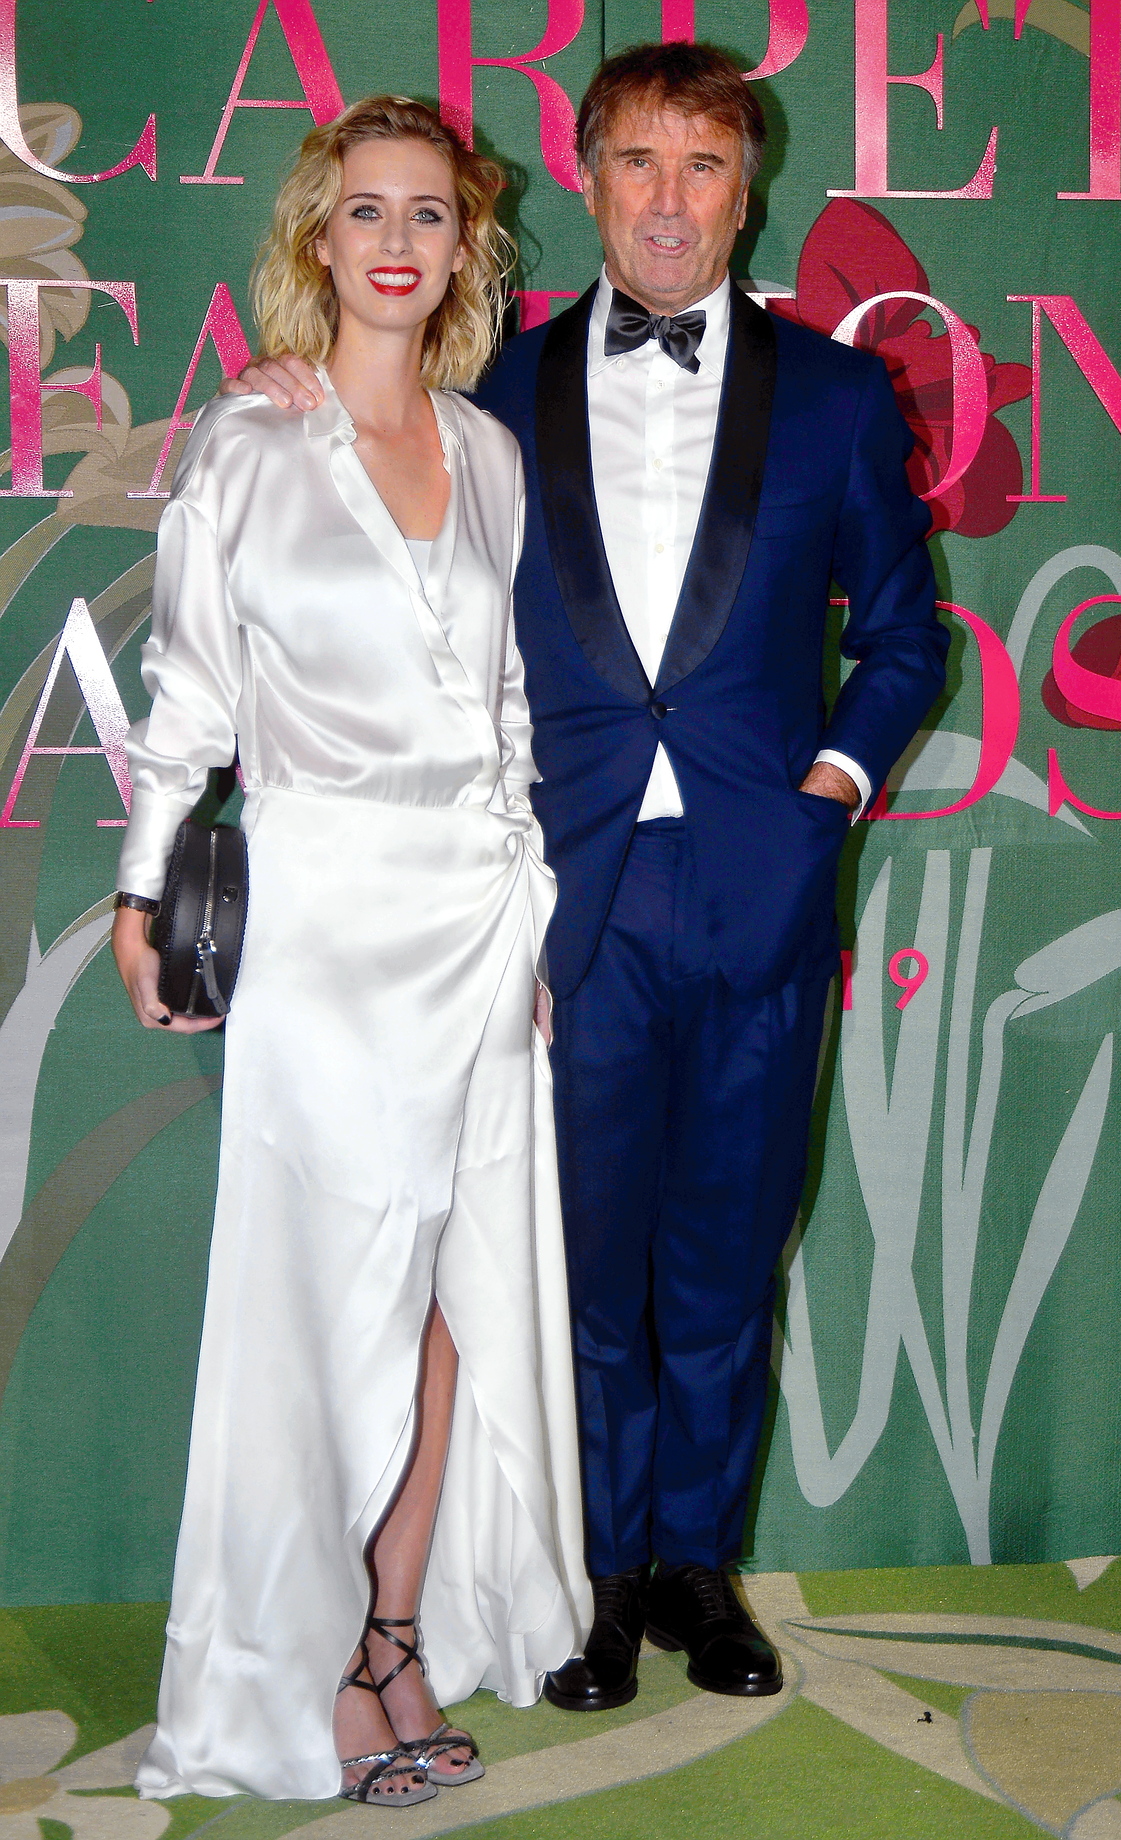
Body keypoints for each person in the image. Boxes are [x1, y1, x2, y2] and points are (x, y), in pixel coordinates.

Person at [228, 42, 948, 1715]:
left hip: (762, 888)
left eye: (703, 167)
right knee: (580, 1264)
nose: (669, 201)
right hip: (562, 901)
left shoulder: (838, 398)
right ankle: (600, 1577)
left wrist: (827, 795)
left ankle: (700, 1568)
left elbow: (906, 640)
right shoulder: (491, 393)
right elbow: (369, 467)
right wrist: (290, 386)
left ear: (746, 193)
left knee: (728, 1256)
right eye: (638, 162)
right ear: (591, 178)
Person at [111, 95, 589, 1804]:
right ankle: (293, 1668)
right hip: (320, 918)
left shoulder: (490, 457)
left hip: (476, 913)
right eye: (368, 210)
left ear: (468, 251)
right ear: (320, 237)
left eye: (430, 215)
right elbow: (190, 696)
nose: (398, 240)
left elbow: (509, 709)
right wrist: (142, 895)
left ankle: (393, 1636)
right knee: (317, 1312)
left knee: (455, 1306)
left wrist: (532, 919)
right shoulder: (249, 442)